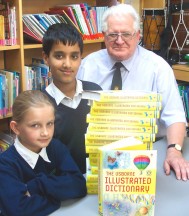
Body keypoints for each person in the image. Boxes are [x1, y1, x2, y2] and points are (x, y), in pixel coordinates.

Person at [77, 4, 189, 181]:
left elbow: (174, 115)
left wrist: (174, 151)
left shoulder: (158, 68)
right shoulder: (88, 65)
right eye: (113, 34)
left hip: (146, 151)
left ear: (138, 36)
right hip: (98, 150)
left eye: (126, 34)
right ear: (104, 36)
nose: (119, 41)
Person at [0, 90, 87, 216]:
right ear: (16, 128)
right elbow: (18, 210)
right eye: (35, 125)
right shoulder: (5, 164)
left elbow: (79, 185)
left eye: (50, 124)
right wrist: (58, 196)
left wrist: (37, 185)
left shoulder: (56, 147)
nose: (45, 133)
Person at [42, 23, 102, 174]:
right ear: (46, 58)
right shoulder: (39, 104)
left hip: (98, 180)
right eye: (59, 56)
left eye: (74, 56)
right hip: (63, 187)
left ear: (81, 59)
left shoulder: (96, 92)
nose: (67, 64)